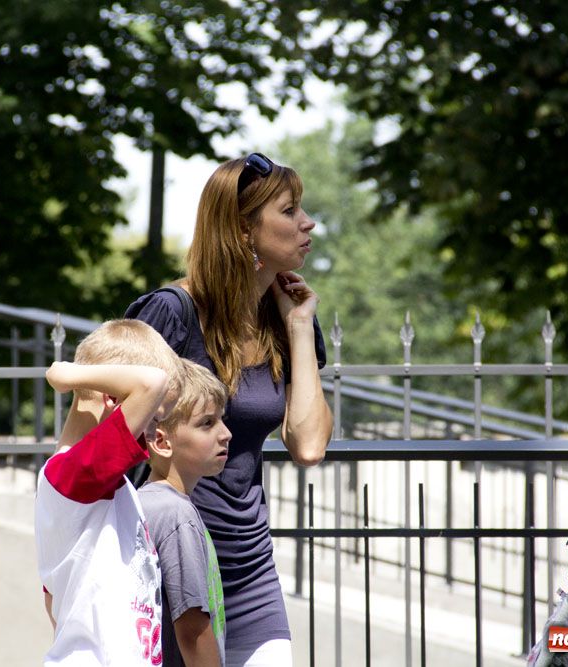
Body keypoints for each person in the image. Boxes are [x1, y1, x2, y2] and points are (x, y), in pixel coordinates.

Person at [126, 152, 333, 666]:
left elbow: (307, 444)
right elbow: (112, 430)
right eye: (289, 211)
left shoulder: (285, 319)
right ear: (244, 231)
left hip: (250, 570)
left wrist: (301, 326)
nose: (307, 223)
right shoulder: (171, 314)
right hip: (171, 570)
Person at [34, 319, 182, 666]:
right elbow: (152, 382)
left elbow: (52, 598)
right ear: (116, 399)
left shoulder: (92, 484)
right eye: (152, 417)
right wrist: (67, 375)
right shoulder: (78, 474)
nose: (153, 431)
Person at [139, 359, 232, 667]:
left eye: (221, 419)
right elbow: (192, 627)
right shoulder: (176, 514)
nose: (226, 433)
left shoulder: (143, 501)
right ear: (162, 442)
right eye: (207, 423)